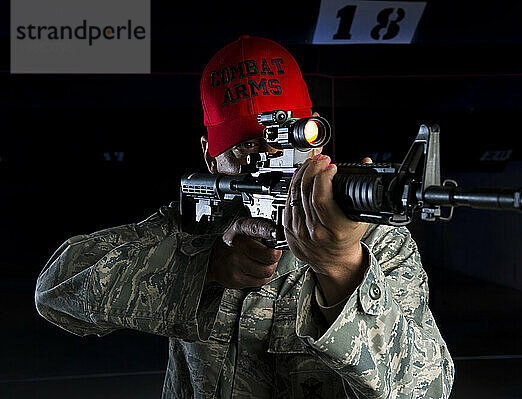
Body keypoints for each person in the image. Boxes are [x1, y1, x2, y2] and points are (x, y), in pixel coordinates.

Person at [35, 35, 454, 398]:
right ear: (210, 157)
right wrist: (206, 266)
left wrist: (343, 268)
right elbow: (54, 293)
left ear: (314, 143)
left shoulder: (376, 243)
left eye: (285, 147)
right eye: (246, 151)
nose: (272, 165)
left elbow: (427, 389)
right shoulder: (195, 227)